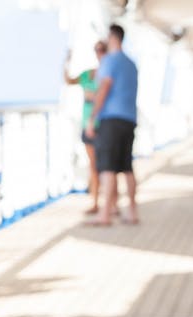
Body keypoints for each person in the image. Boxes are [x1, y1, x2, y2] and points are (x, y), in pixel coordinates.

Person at [85, 24, 138, 226]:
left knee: (107, 168)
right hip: (129, 119)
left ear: (113, 37)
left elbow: (104, 87)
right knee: (127, 167)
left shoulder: (109, 60)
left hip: (111, 120)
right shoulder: (132, 64)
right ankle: (132, 212)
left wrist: (92, 117)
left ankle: (105, 214)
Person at [64, 40, 116, 215]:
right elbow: (69, 80)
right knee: (93, 166)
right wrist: (67, 61)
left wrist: (94, 96)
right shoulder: (89, 74)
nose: (99, 53)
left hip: (105, 125)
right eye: (97, 50)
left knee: (109, 166)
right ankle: (95, 202)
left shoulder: (109, 74)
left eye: (102, 50)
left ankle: (112, 204)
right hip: (88, 125)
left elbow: (110, 96)